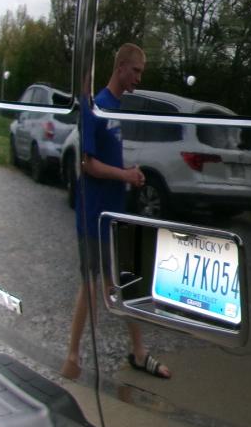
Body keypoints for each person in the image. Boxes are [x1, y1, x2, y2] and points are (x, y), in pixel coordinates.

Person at [61, 44, 171, 380]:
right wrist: (125, 175)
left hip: (114, 213)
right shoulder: (96, 107)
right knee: (91, 284)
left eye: (141, 72)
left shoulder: (118, 108)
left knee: (123, 282)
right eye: (135, 71)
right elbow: (88, 164)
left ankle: (139, 353)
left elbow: (109, 160)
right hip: (93, 213)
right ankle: (73, 355)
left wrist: (131, 175)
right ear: (120, 67)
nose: (139, 78)